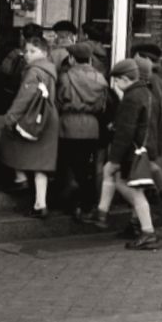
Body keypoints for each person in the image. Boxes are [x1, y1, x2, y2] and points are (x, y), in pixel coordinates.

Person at [90, 60, 158, 250]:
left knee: (129, 187)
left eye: (117, 81)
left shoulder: (131, 97)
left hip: (132, 150)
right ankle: (104, 214)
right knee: (124, 183)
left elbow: (126, 132)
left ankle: (147, 231)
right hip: (143, 149)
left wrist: (115, 159)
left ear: (125, 79)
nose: (116, 86)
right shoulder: (145, 92)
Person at [0, 36, 59, 218]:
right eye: (27, 51)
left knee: (9, 141)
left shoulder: (33, 71)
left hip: (32, 118)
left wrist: (10, 117)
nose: (28, 55)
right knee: (41, 164)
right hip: (48, 117)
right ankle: (41, 203)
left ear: (44, 52)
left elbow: (24, 97)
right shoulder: (51, 69)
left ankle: (20, 178)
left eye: (33, 51)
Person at [56, 43, 108, 220]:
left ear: (71, 58)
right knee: (86, 166)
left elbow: (58, 101)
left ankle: (72, 203)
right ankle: (86, 203)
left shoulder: (65, 77)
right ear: (90, 59)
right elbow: (102, 105)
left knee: (68, 165)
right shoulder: (100, 79)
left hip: (67, 124)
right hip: (91, 126)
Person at [131, 44, 162, 208]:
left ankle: (161, 192)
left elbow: (152, 107)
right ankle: (159, 192)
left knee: (145, 160)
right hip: (158, 124)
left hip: (151, 126)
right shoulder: (161, 76)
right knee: (146, 161)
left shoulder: (152, 79)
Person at [0, 23, 44, 115]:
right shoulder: (44, 53)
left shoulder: (15, 53)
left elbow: (4, 69)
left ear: (23, 36)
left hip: (14, 93)